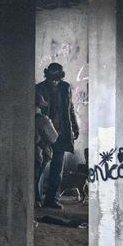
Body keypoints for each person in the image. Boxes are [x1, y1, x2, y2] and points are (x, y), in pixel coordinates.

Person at [35, 62, 80, 209]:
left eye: (57, 78)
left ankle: (51, 199)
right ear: (47, 75)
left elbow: (70, 109)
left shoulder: (65, 87)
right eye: (51, 78)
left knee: (57, 169)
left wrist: (75, 127)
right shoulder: (39, 89)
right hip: (44, 134)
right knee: (39, 167)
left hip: (61, 134)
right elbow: (34, 113)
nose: (54, 81)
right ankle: (35, 199)